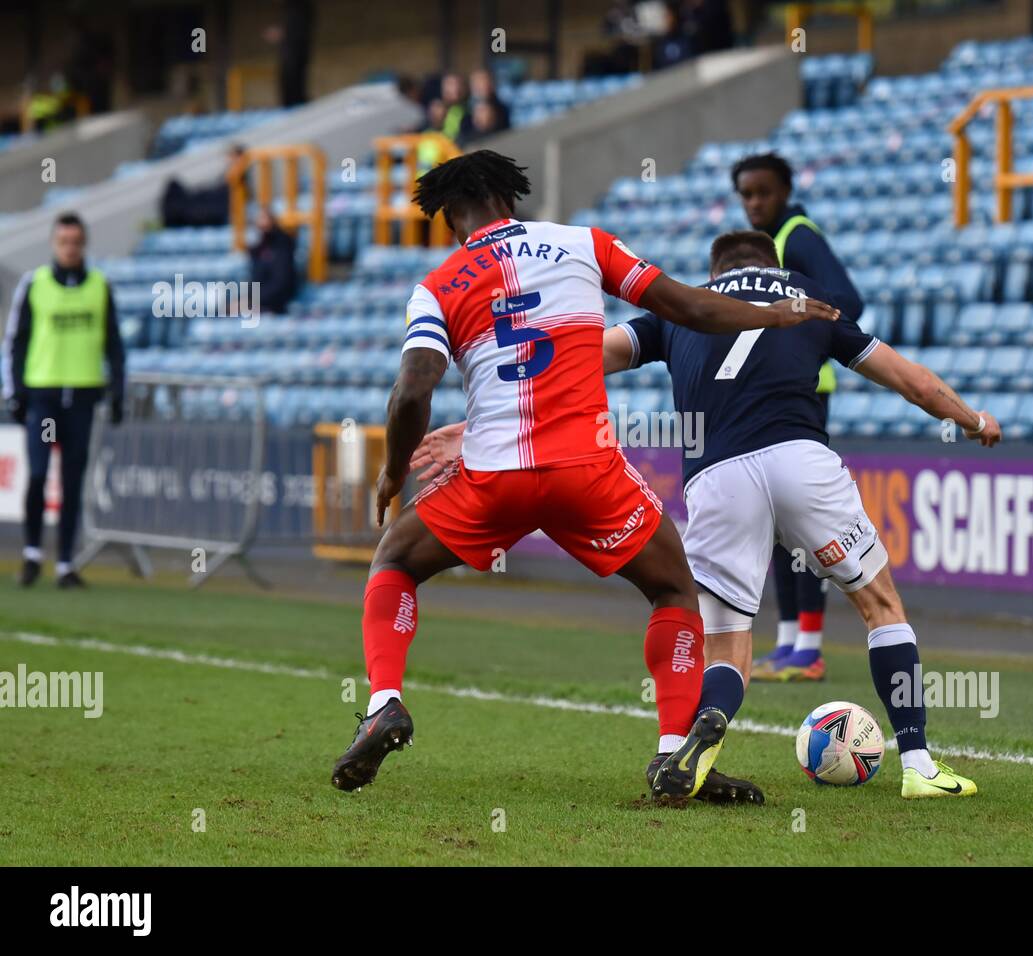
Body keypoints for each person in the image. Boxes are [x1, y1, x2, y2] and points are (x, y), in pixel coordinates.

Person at [414, 230, 1001, 799]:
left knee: (725, 648)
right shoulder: (807, 302)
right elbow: (913, 382)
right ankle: (919, 764)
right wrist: (973, 420)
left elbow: (571, 366)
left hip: (717, 479)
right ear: (772, 264)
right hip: (801, 458)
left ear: (717, 273)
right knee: (880, 605)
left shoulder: (681, 310)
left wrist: (482, 426)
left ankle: (704, 734)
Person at [329, 151, 838, 802]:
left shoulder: (438, 285)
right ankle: (672, 756)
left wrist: (393, 472)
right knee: (674, 591)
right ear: (506, 198)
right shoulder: (583, 244)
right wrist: (777, 314)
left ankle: (385, 703)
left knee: (395, 562)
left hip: (496, 476)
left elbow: (411, 392)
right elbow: (689, 308)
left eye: (448, 220)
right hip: (588, 472)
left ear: (457, 213)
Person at [732, 151, 865, 682]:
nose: (754, 203)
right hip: (779, 394)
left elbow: (848, 299)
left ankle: (809, 646)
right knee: (778, 523)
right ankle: (789, 641)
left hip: (807, 394)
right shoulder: (771, 248)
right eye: (746, 194)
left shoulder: (798, 237)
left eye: (763, 192)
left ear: (784, 192)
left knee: (802, 521)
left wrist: (802, 338)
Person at [2, 212, 126, 589]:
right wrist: (15, 393)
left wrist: (118, 390)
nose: (70, 249)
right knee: (39, 474)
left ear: (84, 244)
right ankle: (32, 555)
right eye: (63, 242)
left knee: (73, 481)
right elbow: (16, 342)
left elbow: (114, 345)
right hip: (46, 400)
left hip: (83, 399)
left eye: (76, 242)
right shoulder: (35, 284)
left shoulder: (99, 287)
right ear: (54, 244)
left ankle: (66, 564)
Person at [248, 207, 298, 314]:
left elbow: (281, 283)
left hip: (276, 305)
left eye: (263, 218)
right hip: (259, 302)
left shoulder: (282, 246)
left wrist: (252, 301)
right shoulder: (257, 249)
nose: (261, 223)